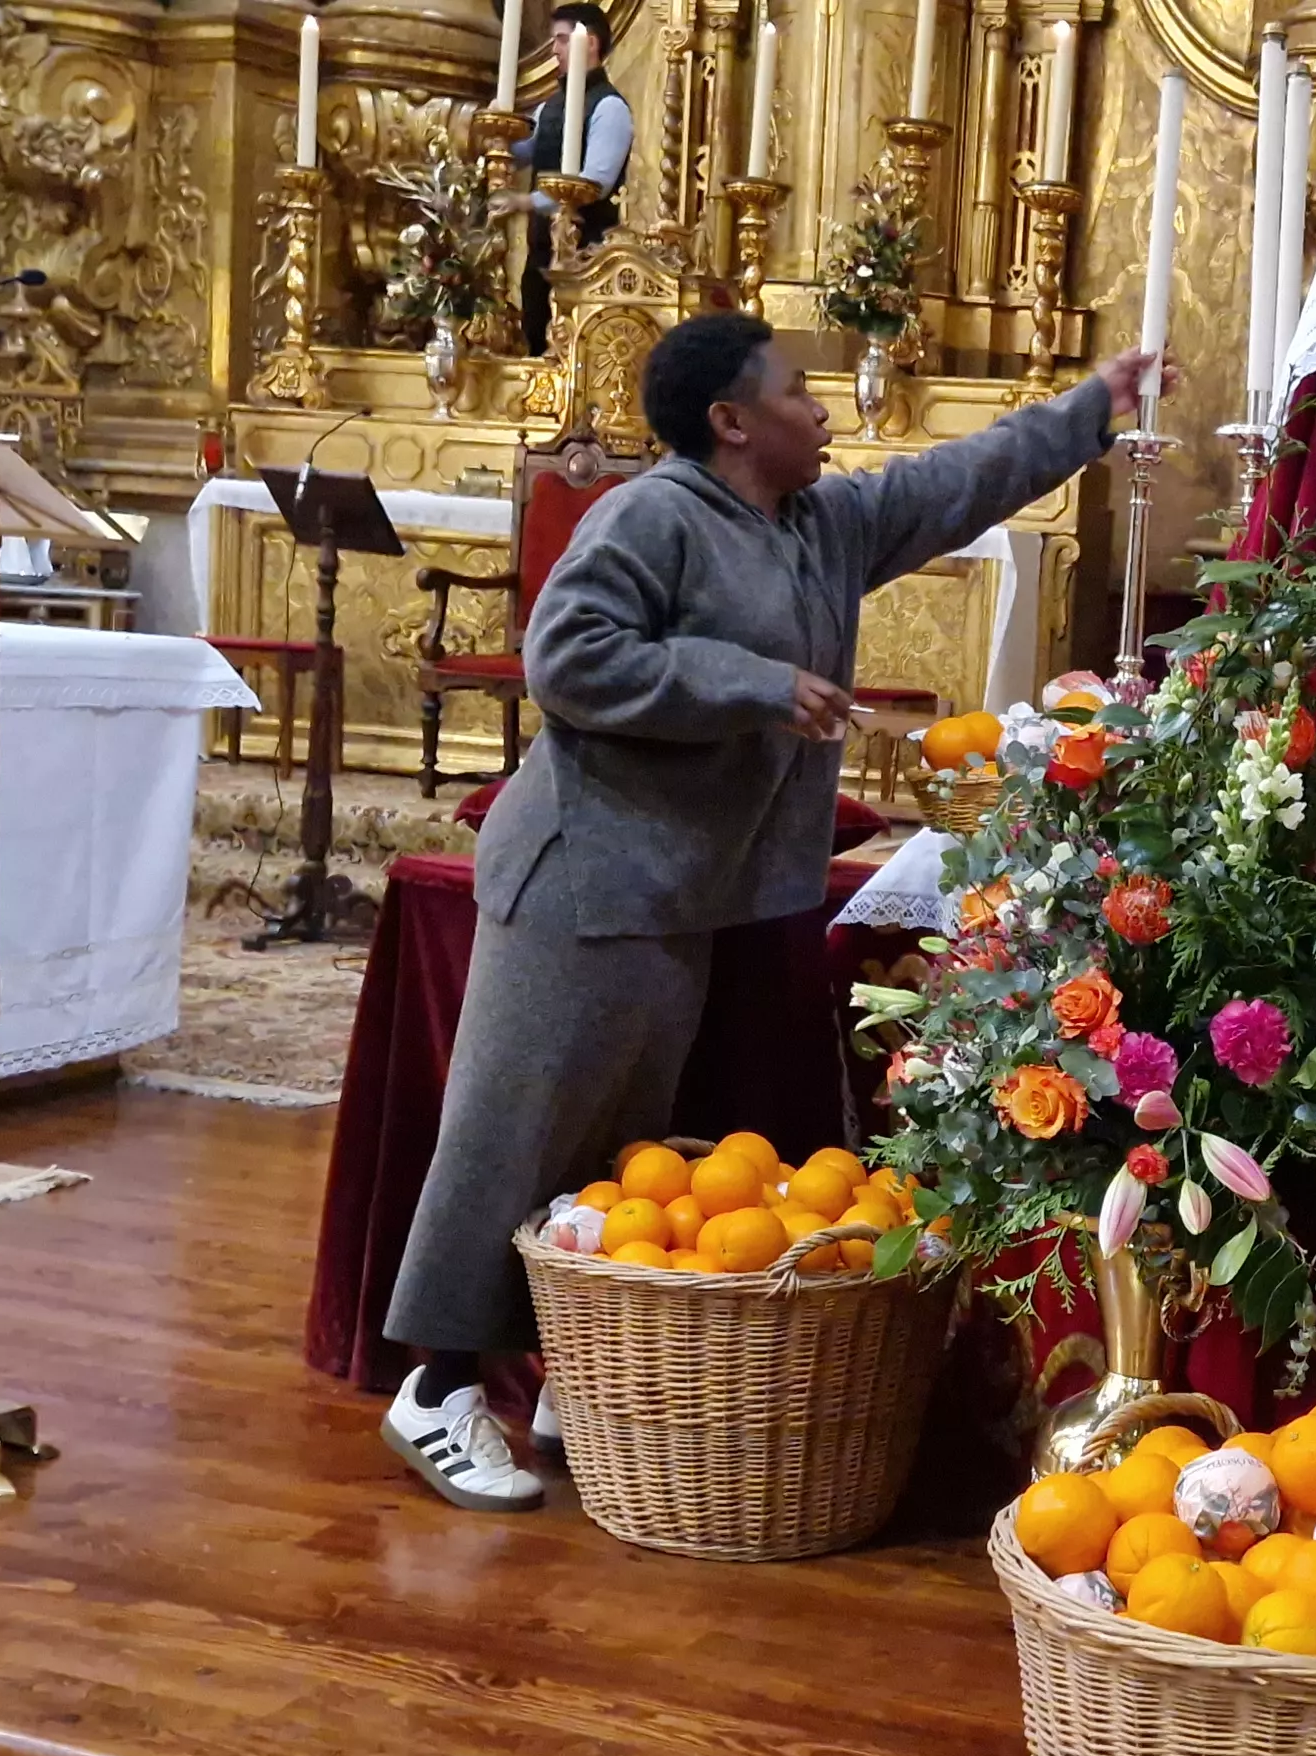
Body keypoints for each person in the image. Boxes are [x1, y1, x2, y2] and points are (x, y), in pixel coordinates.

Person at [379, 315, 1165, 1511]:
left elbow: (953, 482)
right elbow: (568, 657)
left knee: (612, 1154)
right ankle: (435, 1389)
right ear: (730, 422)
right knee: (516, 1136)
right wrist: (747, 683)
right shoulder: (648, 516)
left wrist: (1089, 409)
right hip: (583, 875)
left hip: (682, 893)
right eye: (799, 391)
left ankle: (569, 1370)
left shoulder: (820, 522)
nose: (825, 409)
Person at [518, 2, 635, 353]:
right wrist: (491, 133)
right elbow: (523, 150)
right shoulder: (549, 106)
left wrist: (525, 201)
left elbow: (593, 184)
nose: (554, 50)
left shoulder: (610, 108)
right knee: (535, 341)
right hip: (542, 252)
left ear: (591, 43)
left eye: (562, 40)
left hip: (585, 261)